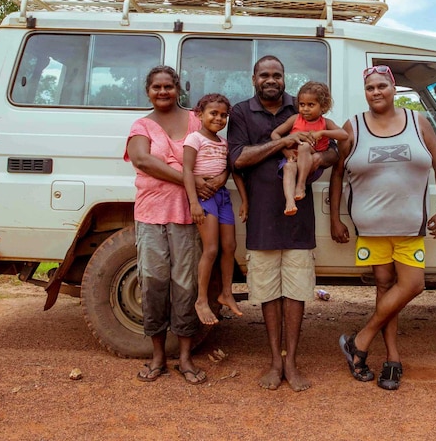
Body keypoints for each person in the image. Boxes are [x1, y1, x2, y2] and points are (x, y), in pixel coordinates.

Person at [329, 64, 436, 390]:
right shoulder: (352, 126)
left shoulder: (417, 122)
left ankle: (361, 341)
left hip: (411, 225)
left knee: (411, 285)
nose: (376, 92)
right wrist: (334, 218)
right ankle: (392, 359)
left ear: (393, 88)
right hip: (370, 227)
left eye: (382, 86)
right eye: (370, 88)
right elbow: (338, 173)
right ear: (365, 92)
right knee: (386, 291)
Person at [227, 56, 338, 392]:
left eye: (277, 74)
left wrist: (318, 157)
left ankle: (292, 361)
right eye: (264, 75)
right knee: (268, 292)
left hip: (297, 218)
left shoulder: (302, 106)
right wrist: (283, 143)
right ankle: (275, 360)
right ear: (254, 79)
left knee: (297, 291)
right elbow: (238, 158)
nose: (271, 79)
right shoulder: (241, 112)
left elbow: (334, 150)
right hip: (261, 217)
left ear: (284, 78)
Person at [124, 65, 225, 385]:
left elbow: (219, 155)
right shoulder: (141, 125)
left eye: (169, 86)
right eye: (157, 87)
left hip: (189, 215)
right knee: (153, 284)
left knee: (186, 285)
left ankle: (184, 357)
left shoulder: (196, 119)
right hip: (151, 213)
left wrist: (216, 180)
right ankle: (157, 357)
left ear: (178, 88)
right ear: (148, 91)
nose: (163, 92)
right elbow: (142, 160)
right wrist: (191, 178)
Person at [182, 92, 246, 325]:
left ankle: (226, 292)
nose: (219, 119)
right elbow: (187, 171)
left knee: (229, 246)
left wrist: (222, 177)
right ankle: (201, 299)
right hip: (204, 199)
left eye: (223, 115)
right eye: (213, 114)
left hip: (222, 197)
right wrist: (193, 203)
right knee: (210, 249)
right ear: (199, 114)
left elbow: (229, 167)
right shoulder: (194, 139)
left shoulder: (224, 143)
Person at [270, 81, 348, 217]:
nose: (305, 109)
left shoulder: (325, 123)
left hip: (311, 159)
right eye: (302, 104)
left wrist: (323, 133)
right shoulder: (295, 119)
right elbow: (275, 134)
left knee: (304, 146)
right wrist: (285, 151)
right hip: (294, 157)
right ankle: (289, 202)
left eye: (311, 105)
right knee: (288, 168)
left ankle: (300, 185)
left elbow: (344, 135)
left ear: (323, 106)